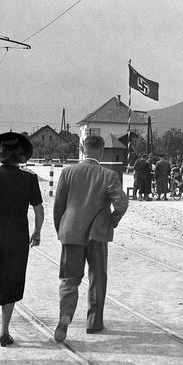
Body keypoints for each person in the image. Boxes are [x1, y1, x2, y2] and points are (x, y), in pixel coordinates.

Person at [53, 134, 129, 342]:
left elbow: (59, 205)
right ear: (101, 151)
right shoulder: (108, 175)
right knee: (97, 277)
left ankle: (66, 316)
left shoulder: (68, 173)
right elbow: (121, 203)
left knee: (69, 279)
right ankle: (94, 322)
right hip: (97, 234)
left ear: (82, 149)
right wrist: (112, 220)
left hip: (71, 232)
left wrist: (62, 229)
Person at [0, 132, 44, 347]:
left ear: (0, 155)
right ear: (20, 156)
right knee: (12, 281)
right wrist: (37, 232)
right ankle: (5, 331)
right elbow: (39, 211)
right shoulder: (29, 179)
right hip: (18, 237)